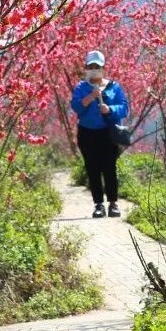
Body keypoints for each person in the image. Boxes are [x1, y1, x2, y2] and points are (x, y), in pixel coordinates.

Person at [70, 50, 129, 218]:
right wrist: (91, 96)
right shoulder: (81, 87)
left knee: (109, 167)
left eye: (97, 66)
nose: (94, 69)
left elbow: (124, 108)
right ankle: (98, 205)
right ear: (86, 67)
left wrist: (110, 109)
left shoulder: (114, 87)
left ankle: (113, 203)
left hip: (108, 134)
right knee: (92, 168)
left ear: (103, 68)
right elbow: (76, 107)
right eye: (91, 66)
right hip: (87, 134)